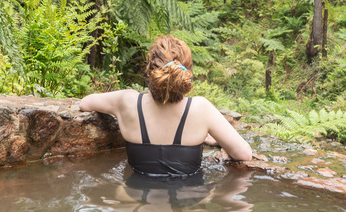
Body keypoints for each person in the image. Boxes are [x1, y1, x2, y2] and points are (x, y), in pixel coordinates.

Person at [79, 34, 253, 178]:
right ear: (187, 74)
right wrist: (215, 139)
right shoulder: (200, 109)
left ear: (149, 71)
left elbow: (85, 103)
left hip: (135, 202)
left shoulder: (127, 101)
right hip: (187, 208)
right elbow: (244, 154)